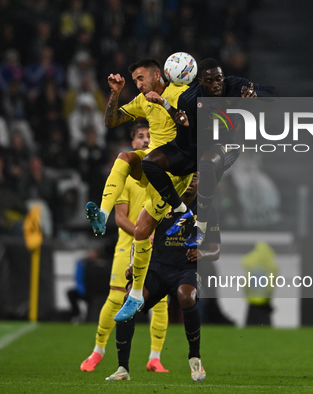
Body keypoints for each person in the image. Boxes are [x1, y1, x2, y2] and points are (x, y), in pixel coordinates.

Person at [85, 58, 193, 322]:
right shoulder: (142, 99)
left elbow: (191, 124)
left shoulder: (180, 93)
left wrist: (164, 104)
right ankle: (103, 214)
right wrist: (115, 93)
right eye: (134, 80)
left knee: (142, 231)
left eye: (141, 78)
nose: (138, 84)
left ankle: (135, 296)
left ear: (158, 75)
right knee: (124, 157)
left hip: (174, 172)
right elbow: (112, 121)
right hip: (152, 163)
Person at [141, 58, 277, 247]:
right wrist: (185, 126)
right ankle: (181, 210)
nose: (216, 84)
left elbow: (273, 92)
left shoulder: (236, 85)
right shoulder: (188, 99)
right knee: (149, 162)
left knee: (206, 163)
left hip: (226, 145)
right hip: (193, 147)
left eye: (219, 79)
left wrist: (256, 93)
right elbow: (183, 142)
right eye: (210, 81)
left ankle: (200, 227)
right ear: (200, 82)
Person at [106, 172, 220, 382]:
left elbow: (215, 250)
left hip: (186, 270)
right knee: (130, 297)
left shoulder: (207, 209)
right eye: (187, 177)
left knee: (186, 295)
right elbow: (139, 235)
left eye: (195, 177)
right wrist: (133, 265)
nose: (191, 181)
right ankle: (122, 368)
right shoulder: (161, 203)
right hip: (157, 269)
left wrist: (201, 253)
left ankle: (195, 358)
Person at [80, 123, 170, 373]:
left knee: (160, 302)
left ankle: (155, 357)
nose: (145, 140)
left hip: (155, 248)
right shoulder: (128, 175)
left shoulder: (163, 172)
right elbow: (120, 218)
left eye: (149, 136)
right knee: (117, 297)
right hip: (127, 246)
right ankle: (98, 351)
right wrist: (144, 234)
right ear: (133, 143)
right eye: (140, 137)